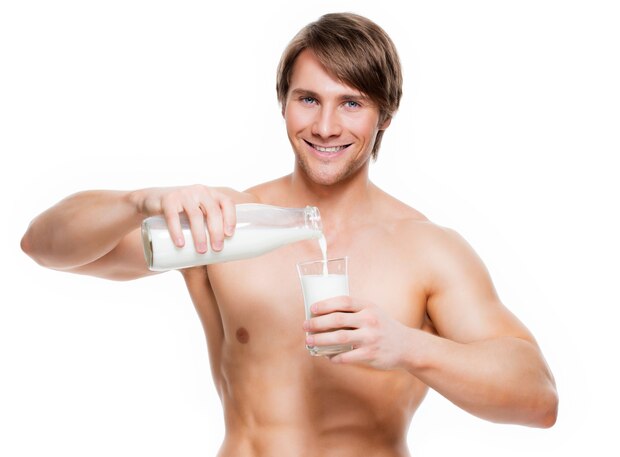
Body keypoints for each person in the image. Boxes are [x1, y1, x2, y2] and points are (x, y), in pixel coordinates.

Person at [21, 12, 558, 457]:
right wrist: (136, 201)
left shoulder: (427, 249)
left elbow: (538, 398)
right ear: (283, 103)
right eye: (308, 99)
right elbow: (46, 249)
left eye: (351, 103)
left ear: (385, 116)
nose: (326, 126)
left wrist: (407, 346)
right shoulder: (226, 224)